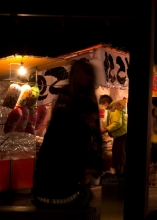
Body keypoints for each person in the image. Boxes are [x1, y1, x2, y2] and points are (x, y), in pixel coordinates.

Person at [32, 59, 102, 209]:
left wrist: (94, 162)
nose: (84, 77)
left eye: (87, 73)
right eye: (81, 73)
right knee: (84, 196)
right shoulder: (72, 105)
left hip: (44, 193)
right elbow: (91, 133)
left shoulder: (87, 99)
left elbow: (95, 131)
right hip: (66, 192)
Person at [101, 95, 128, 175]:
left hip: (121, 136)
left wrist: (106, 129)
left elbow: (117, 123)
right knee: (118, 156)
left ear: (106, 102)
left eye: (103, 104)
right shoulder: (111, 109)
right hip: (118, 136)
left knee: (120, 156)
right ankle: (119, 174)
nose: (103, 106)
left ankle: (121, 176)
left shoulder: (115, 108)